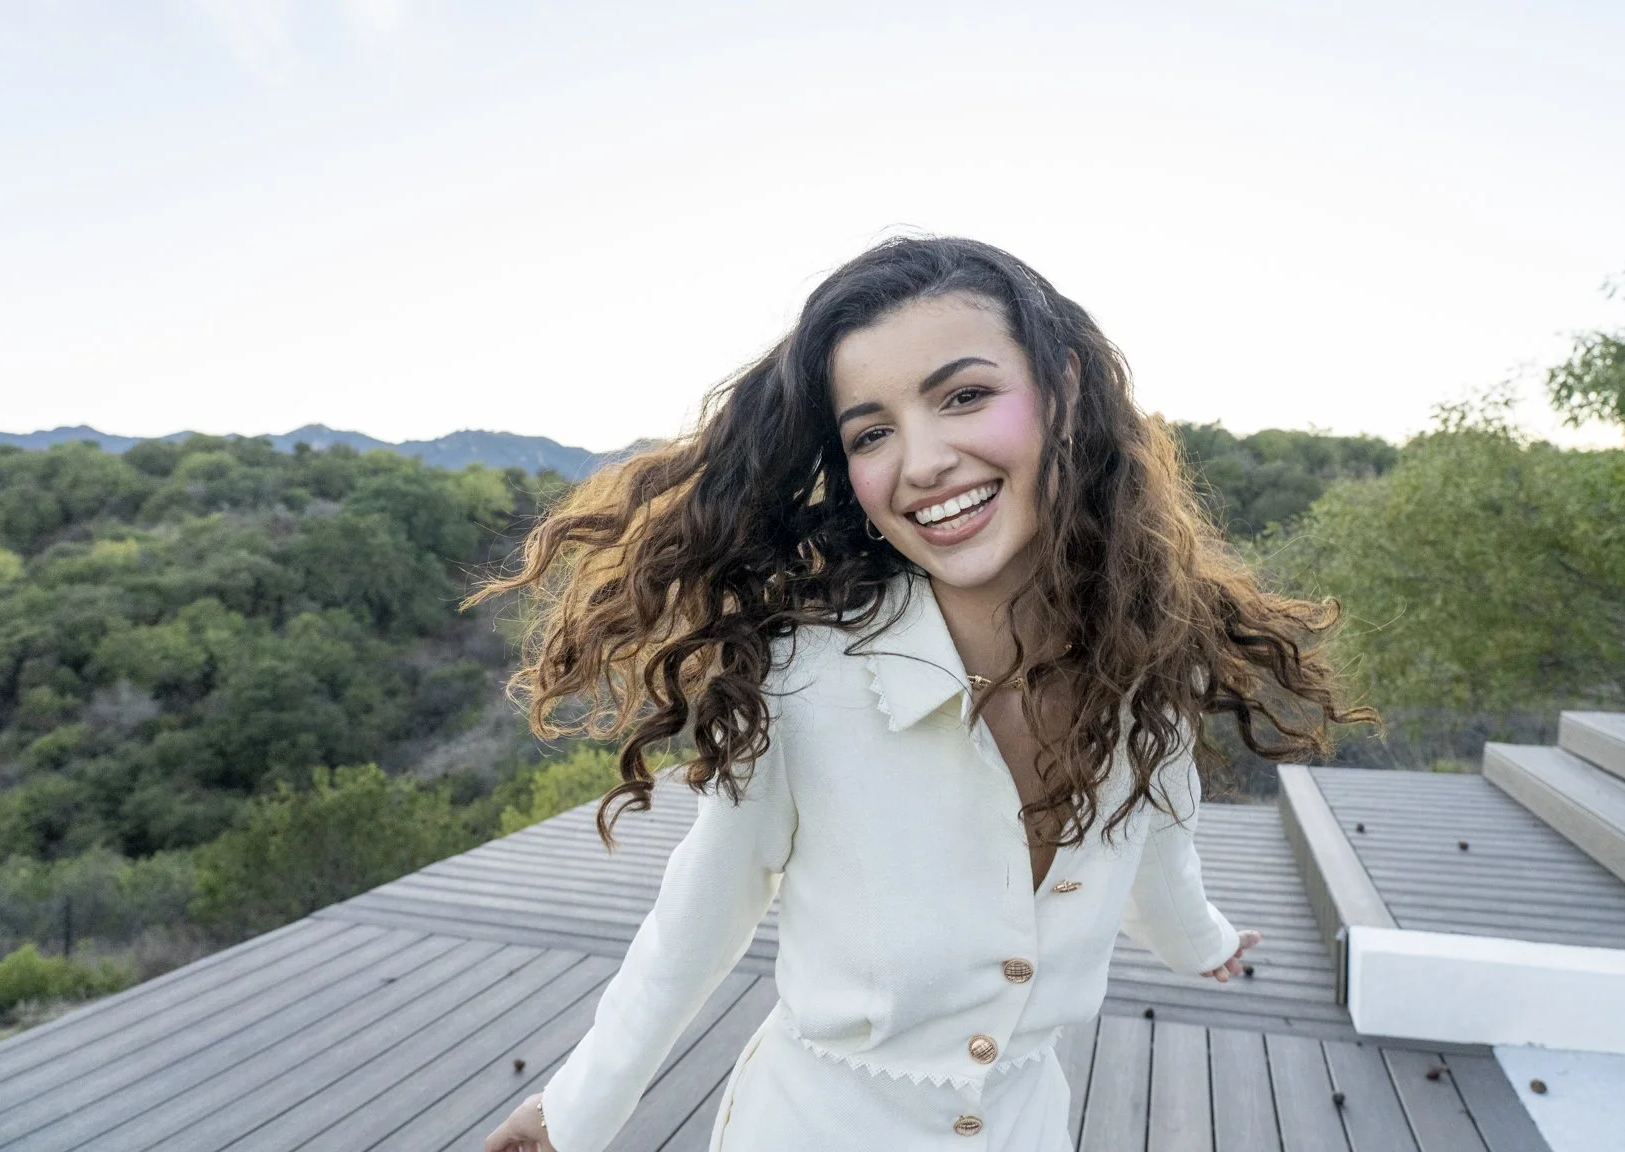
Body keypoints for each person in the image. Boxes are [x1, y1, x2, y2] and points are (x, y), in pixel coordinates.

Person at [477, 236, 1378, 1152]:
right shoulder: (805, 677)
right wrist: (574, 1111)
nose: (923, 462)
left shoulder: (1153, 662)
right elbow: (699, 916)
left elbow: (1153, 843)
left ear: (1062, 389)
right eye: (872, 433)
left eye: (965, 397)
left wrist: (1206, 942)